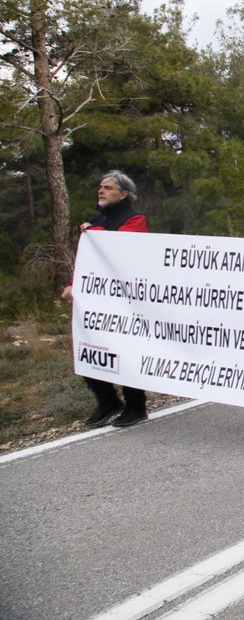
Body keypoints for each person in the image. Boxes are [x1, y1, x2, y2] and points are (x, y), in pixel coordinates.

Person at [60, 171, 151, 428]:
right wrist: (73, 285)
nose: (101, 190)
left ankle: (136, 406)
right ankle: (108, 401)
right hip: (97, 298)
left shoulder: (135, 219)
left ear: (123, 194)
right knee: (89, 350)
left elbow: (120, 248)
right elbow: (88, 260)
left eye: (108, 187)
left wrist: (94, 231)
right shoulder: (95, 221)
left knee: (125, 351)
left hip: (125, 299)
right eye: (100, 186)